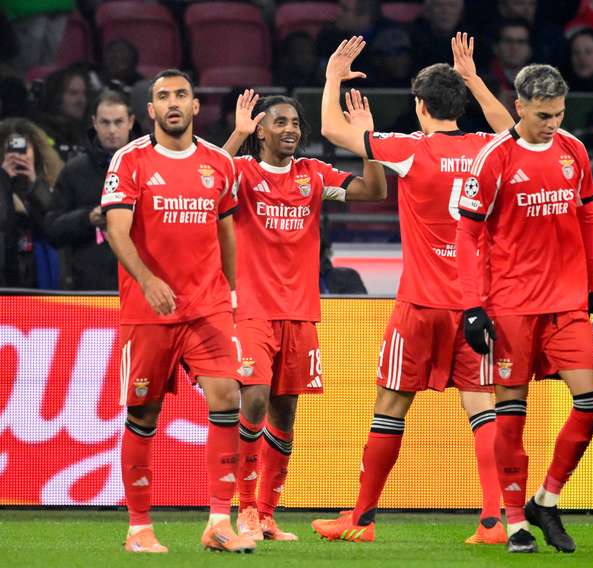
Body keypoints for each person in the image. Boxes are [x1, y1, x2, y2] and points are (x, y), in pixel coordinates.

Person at [311, 32, 514, 545]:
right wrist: (475, 78)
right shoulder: (487, 150)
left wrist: (335, 75)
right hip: (475, 307)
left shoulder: (408, 149)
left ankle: (360, 519)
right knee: (482, 406)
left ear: (420, 106)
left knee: (390, 405)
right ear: (461, 103)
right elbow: (516, 131)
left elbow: (331, 127)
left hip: (420, 305)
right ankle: (493, 520)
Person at [222, 89, 386, 541]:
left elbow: (375, 190)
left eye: (295, 123)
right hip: (250, 308)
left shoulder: (313, 175)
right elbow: (203, 180)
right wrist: (235, 137)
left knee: (284, 414)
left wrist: (366, 141)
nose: (291, 129)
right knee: (252, 399)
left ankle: (269, 515)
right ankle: (247, 510)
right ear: (260, 130)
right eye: (280, 122)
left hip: (299, 311)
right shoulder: (242, 172)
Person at [455, 64, 593, 554]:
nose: (553, 123)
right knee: (511, 415)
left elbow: (588, 217)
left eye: (560, 114)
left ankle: (548, 498)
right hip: (512, 305)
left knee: (592, 401)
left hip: (566, 302)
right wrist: (472, 307)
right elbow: (467, 234)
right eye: (544, 115)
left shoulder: (574, 151)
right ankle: (517, 519)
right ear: (518, 107)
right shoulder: (494, 158)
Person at [103, 69, 254, 554]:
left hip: (206, 306)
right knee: (143, 412)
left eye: (181, 95)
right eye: (163, 96)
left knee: (227, 397)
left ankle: (218, 522)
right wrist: (148, 281)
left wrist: (230, 290)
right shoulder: (130, 161)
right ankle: (139, 528)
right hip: (149, 310)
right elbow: (116, 230)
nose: (173, 102)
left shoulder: (218, 163)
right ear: (150, 110)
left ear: (195, 106)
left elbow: (226, 231)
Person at [46, 89, 134, 290]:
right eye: (105, 122)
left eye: (118, 122)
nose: (112, 130)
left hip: (141, 289)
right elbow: (52, 229)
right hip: (89, 290)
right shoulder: (74, 170)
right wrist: (87, 218)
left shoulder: (149, 166)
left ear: (130, 122)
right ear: (94, 123)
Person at [0, 118, 63, 287]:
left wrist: (35, 183)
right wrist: (3, 179)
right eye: (11, 149)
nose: (18, 155)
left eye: (23, 148)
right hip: (8, 274)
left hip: (41, 273)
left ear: (35, 151)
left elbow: (54, 222)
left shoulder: (52, 184)